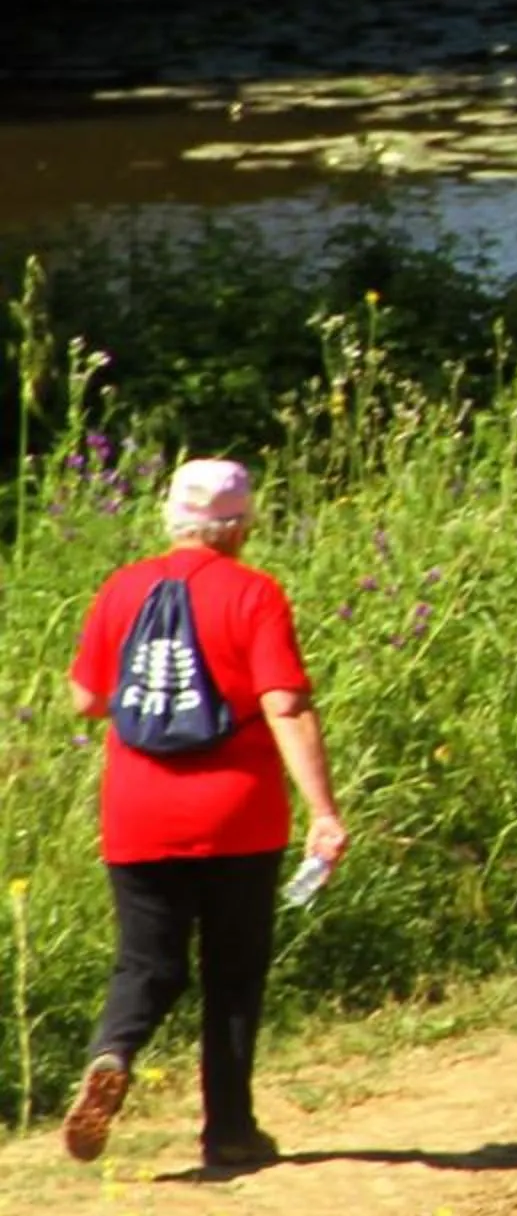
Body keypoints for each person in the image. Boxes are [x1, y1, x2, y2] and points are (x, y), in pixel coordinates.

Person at [61, 455, 349, 1173]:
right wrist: (323, 810)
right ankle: (229, 1131)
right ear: (241, 524)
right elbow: (283, 703)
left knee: (146, 963)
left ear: (173, 518)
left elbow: (86, 699)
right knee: (233, 970)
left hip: (137, 810)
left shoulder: (122, 588)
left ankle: (113, 1052)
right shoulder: (254, 592)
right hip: (237, 815)